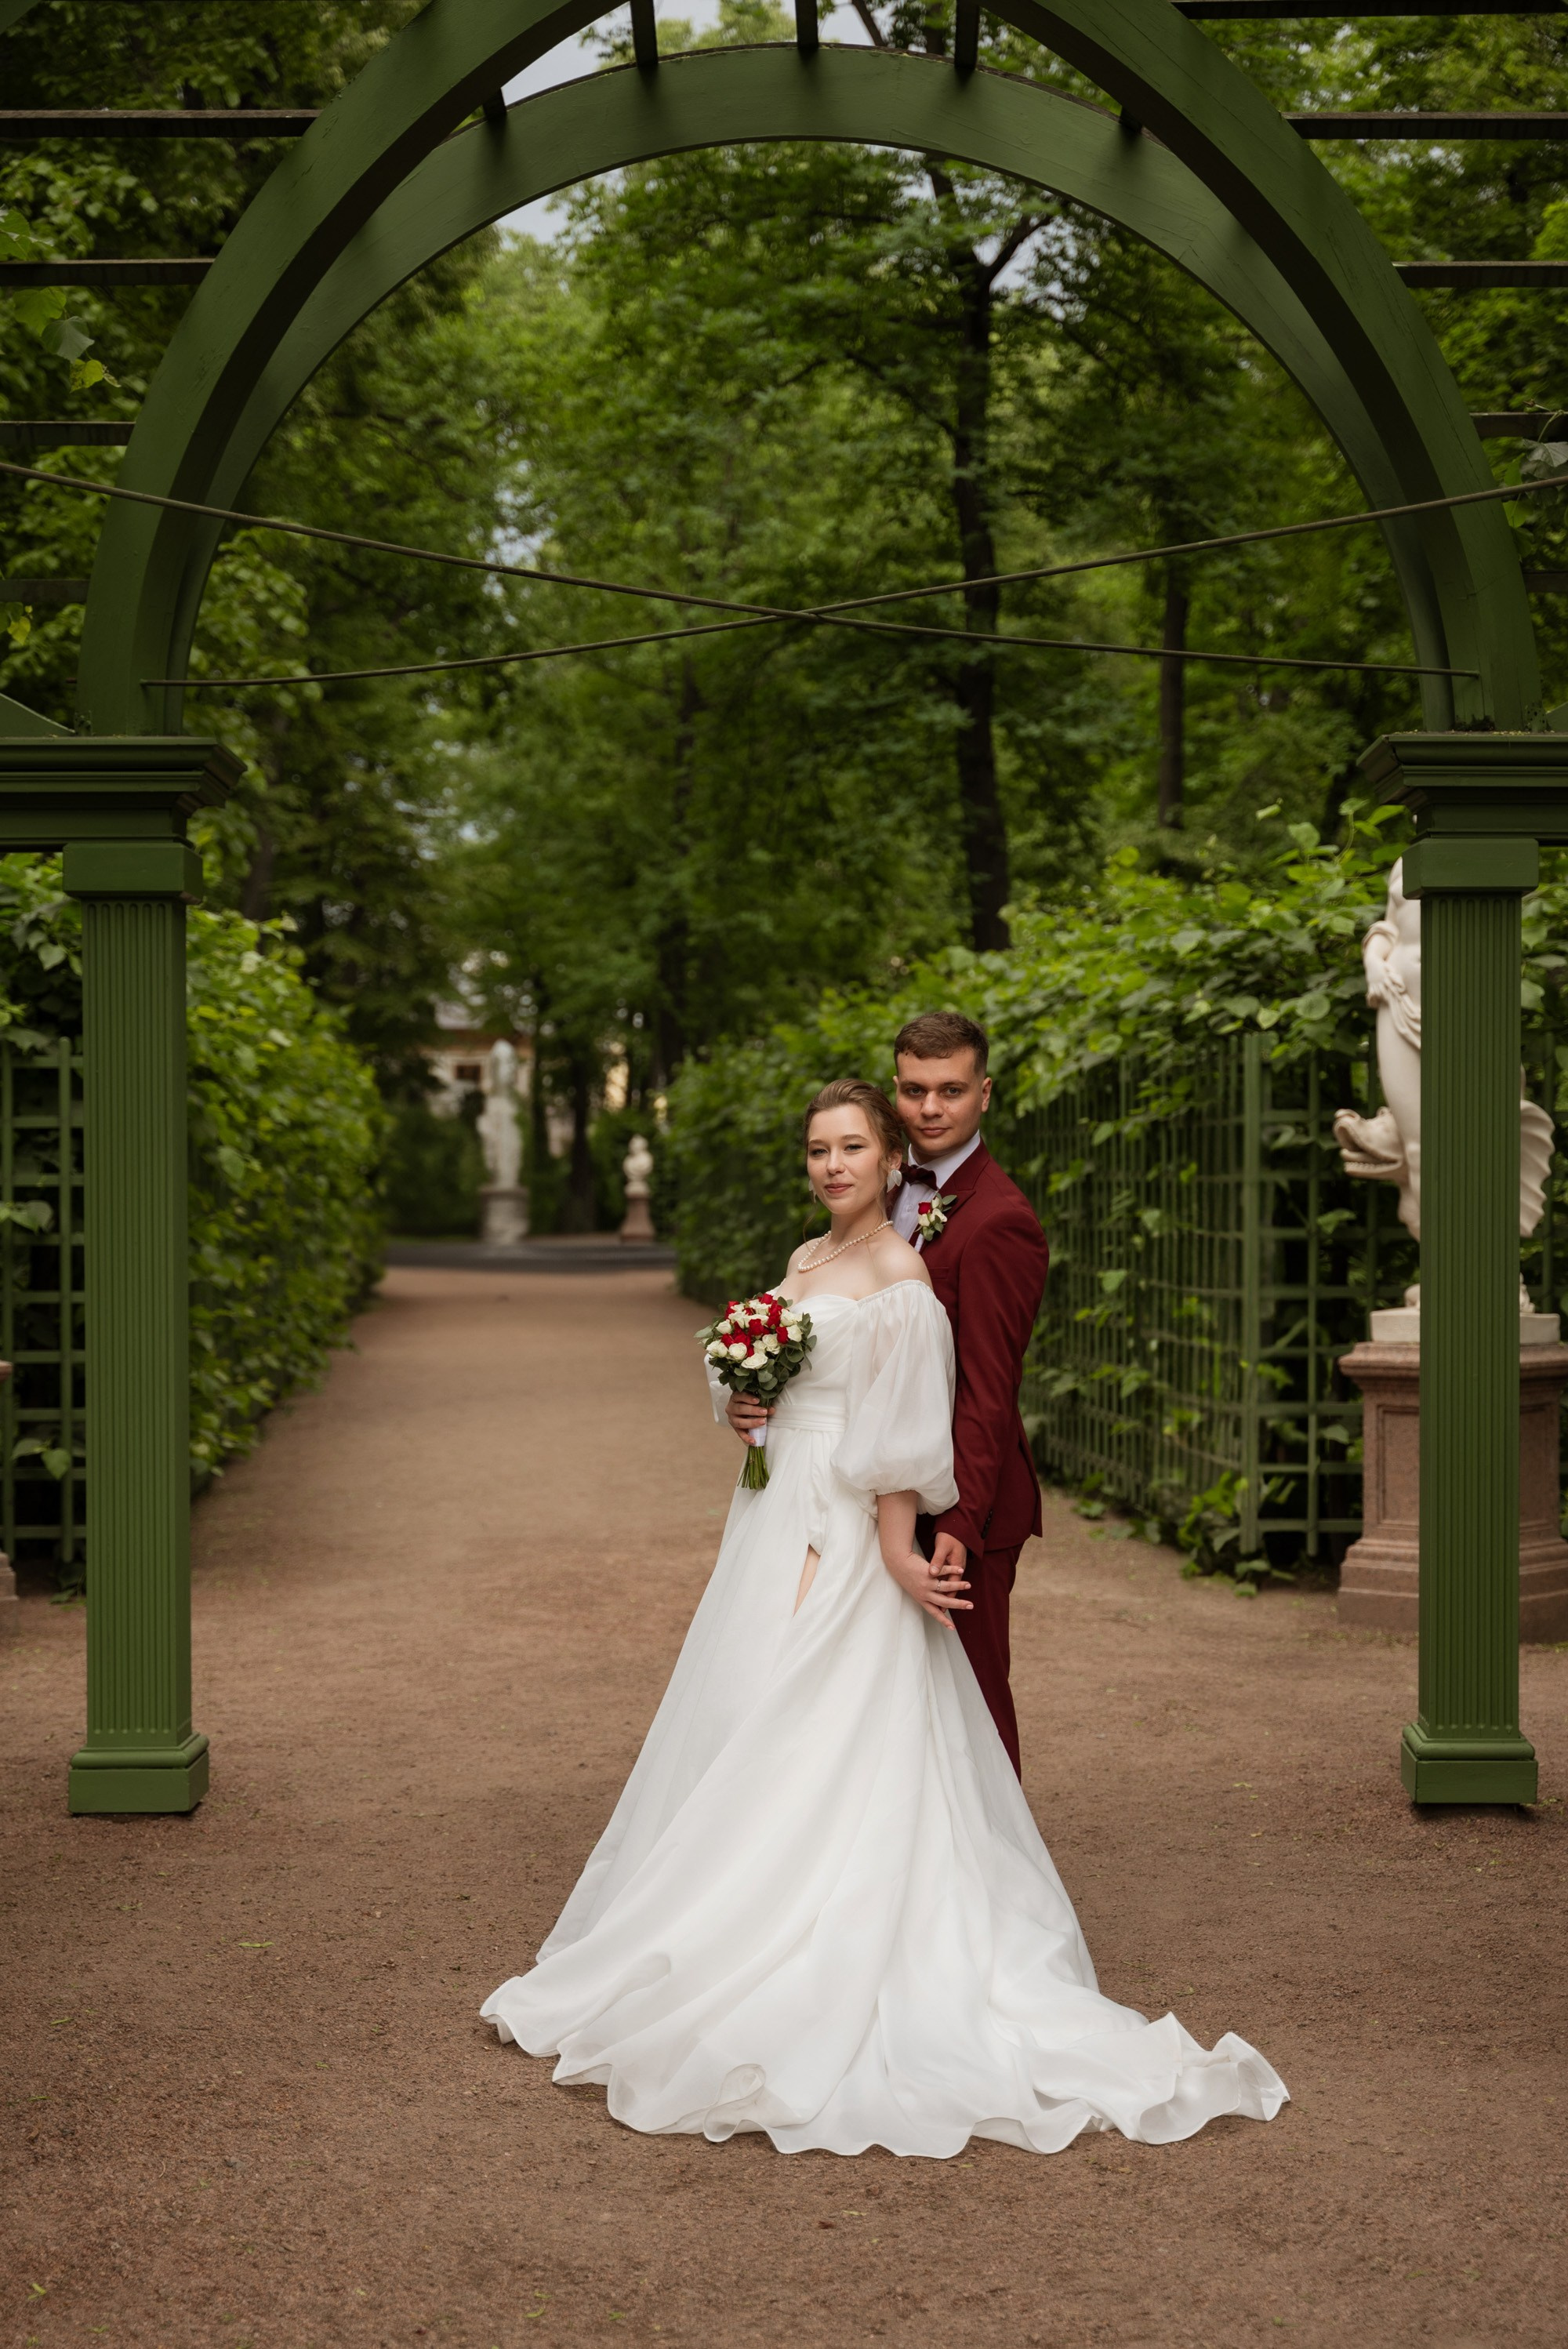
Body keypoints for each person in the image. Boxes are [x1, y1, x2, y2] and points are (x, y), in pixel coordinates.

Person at [481, 1080, 1287, 2157]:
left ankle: (819, 1945)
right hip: (771, 1510)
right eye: (819, 1148)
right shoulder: (807, 1263)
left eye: (852, 1147)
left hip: (845, 1525)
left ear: (887, 1156)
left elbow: (905, 1428)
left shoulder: (903, 1276)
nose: (832, 1166)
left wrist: (899, 1548)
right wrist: (745, 1402)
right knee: (743, 1707)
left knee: (817, 1717)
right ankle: (711, 1920)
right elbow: (765, 1373)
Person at [728, 1010, 1047, 1774]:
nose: (931, 1107)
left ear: (984, 1093)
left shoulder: (1000, 1220)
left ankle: (984, 1866)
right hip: (847, 1492)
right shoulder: (862, 1190)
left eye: (950, 1090)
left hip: (954, 1502)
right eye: (913, 1089)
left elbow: (987, 1392)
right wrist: (747, 1393)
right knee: (871, 1707)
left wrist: (957, 1525)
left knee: (966, 1704)